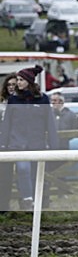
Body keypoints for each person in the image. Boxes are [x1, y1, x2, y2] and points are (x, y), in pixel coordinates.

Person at [0, 66, 60, 211]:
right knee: (23, 168)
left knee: (36, 174)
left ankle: (35, 203)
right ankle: (27, 199)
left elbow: (50, 123)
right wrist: (3, 144)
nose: (18, 83)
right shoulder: (13, 99)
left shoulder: (43, 99)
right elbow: (7, 123)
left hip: (37, 143)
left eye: (21, 80)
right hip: (17, 144)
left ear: (29, 81)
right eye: (17, 80)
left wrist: (54, 145)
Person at [0, 74, 18, 213]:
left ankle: (5, 205)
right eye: (9, 85)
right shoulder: (2, 102)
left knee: (7, 176)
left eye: (14, 84)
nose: (11, 87)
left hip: (13, 142)